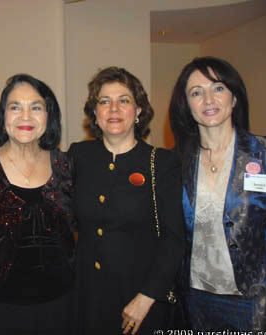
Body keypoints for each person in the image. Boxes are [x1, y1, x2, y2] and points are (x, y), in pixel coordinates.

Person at [169, 56, 266, 331]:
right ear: (187, 106)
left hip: (260, 301)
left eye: (218, 88)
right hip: (196, 298)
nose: (208, 100)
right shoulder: (176, 164)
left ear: (234, 97)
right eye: (196, 93)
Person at [69, 66, 185, 334]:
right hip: (87, 300)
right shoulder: (78, 156)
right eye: (104, 101)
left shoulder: (162, 163)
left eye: (124, 101)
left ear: (139, 111)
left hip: (140, 304)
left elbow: (174, 240)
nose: (113, 109)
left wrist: (146, 298)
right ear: (94, 114)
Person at [0, 74, 76, 335]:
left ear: (49, 115)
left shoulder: (66, 165)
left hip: (62, 301)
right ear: (3, 116)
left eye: (36, 107)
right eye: (15, 107)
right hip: (2, 305)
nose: (25, 116)